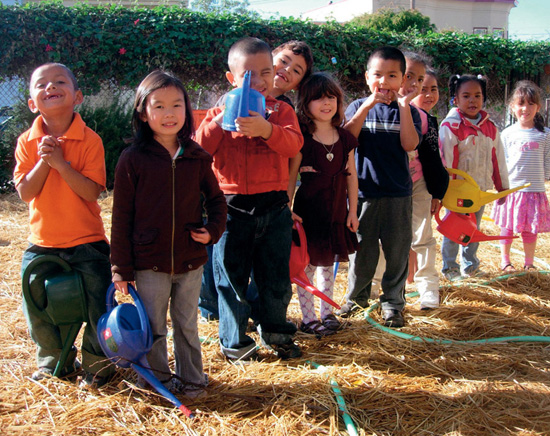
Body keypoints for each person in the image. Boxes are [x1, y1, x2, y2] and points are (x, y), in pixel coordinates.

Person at [110, 70, 227, 398]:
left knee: (188, 326)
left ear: (187, 111)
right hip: (149, 262)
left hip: (190, 261)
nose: (169, 113)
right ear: (143, 113)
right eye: (158, 106)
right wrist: (121, 268)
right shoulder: (132, 159)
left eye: (177, 105)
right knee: (154, 327)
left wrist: (213, 231)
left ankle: (193, 380)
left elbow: (217, 201)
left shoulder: (197, 156)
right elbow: (121, 217)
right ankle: (157, 381)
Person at [196, 37, 304, 361]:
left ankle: (275, 332)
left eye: (264, 73)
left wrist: (266, 129)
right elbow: (199, 150)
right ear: (231, 79)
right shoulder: (218, 112)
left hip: (273, 206)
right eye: (248, 74)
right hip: (230, 209)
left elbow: (293, 146)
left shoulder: (281, 111)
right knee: (231, 279)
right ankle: (235, 343)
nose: (257, 81)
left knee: (275, 279)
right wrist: (220, 119)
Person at [14, 63, 114, 387]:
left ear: (77, 97)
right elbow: (26, 192)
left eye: (59, 82)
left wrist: (60, 163)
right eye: (41, 84)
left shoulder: (90, 140)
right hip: (43, 242)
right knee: (35, 303)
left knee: (99, 303)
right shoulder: (27, 142)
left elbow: (91, 191)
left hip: (86, 242)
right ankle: (55, 363)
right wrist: (45, 161)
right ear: (32, 103)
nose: (50, 87)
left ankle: (98, 366)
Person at [339, 46, 422, 328]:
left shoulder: (409, 111)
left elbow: (410, 144)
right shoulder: (356, 107)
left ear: (402, 79)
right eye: (378, 75)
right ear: (366, 77)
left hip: (398, 194)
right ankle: (356, 299)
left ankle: (393, 304)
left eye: (392, 75)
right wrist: (367, 105)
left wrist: (403, 106)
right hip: (363, 193)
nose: (384, 82)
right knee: (362, 251)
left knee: (397, 252)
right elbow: (347, 137)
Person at [288, 72, 359, 336]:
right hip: (308, 213)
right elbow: (291, 175)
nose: (326, 103)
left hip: (337, 212)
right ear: (306, 104)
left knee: (328, 265)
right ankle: (308, 318)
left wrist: (353, 211)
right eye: (318, 98)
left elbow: (352, 176)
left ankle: (327, 313)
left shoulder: (345, 137)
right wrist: (288, 207)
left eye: (331, 97)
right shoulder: (302, 138)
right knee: (305, 266)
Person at [439, 74, 509, 281]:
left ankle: (470, 267)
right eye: (466, 96)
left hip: (479, 192)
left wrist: (502, 187)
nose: (472, 101)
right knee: (454, 229)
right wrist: (446, 191)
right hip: (458, 193)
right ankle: (450, 267)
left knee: (474, 229)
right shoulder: (451, 127)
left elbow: (498, 160)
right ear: (456, 100)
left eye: (477, 96)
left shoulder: (491, 128)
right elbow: (447, 161)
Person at [491, 80, 550, 271]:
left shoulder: (544, 134)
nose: (526, 108)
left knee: (529, 230)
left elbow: (547, 160)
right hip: (511, 190)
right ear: (512, 107)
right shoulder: (507, 134)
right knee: (507, 227)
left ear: (538, 107)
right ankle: (505, 261)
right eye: (521, 104)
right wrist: (500, 185)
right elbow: (502, 160)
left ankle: (529, 263)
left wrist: (545, 179)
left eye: (531, 104)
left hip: (534, 190)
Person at [406, 61, 449, 309]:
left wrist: (437, 191)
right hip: (391, 187)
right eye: (423, 87)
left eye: (431, 87)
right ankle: (385, 286)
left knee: (422, 236)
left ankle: (427, 288)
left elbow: (433, 161)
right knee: (388, 239)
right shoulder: (392, 112)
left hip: (419, 184)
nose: (428, 94)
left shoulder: (427, 120)